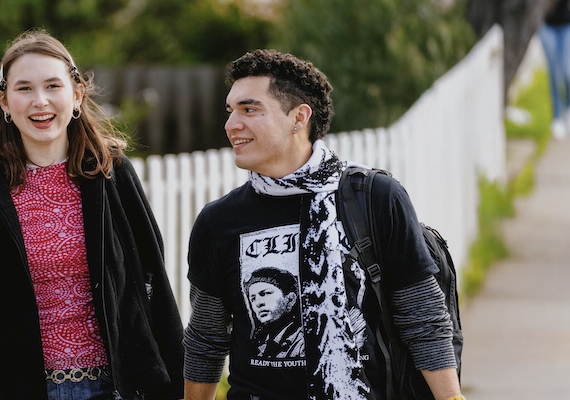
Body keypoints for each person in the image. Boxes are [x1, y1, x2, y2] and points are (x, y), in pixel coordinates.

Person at [183, 49, 463, 400]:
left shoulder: (375, 198)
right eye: (231, 110)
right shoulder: (219, 221)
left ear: (299, 118)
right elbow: (207, 338)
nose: (231, 125)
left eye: (249, 109)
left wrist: (451, 397)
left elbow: (421, 316)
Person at [0, 29, 184, 400]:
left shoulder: (111, 174)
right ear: (3, 101)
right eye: (24, 89)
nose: (40, 102)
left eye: (53, 86)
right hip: (16, 389)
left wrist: (172, 380)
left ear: (76, 94)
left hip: (114, 387)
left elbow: (150, 278)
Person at [540, 0, 570, 140]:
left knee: (568, 72)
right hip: (547, 25)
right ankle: (557, 117)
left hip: (568, 24)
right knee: (554, 72)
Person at [244, 267, 304, 359]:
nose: (258, 303)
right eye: (253, 298)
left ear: (290, 299)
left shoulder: (303, 341)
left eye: (265, 293)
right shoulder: (261, 343)